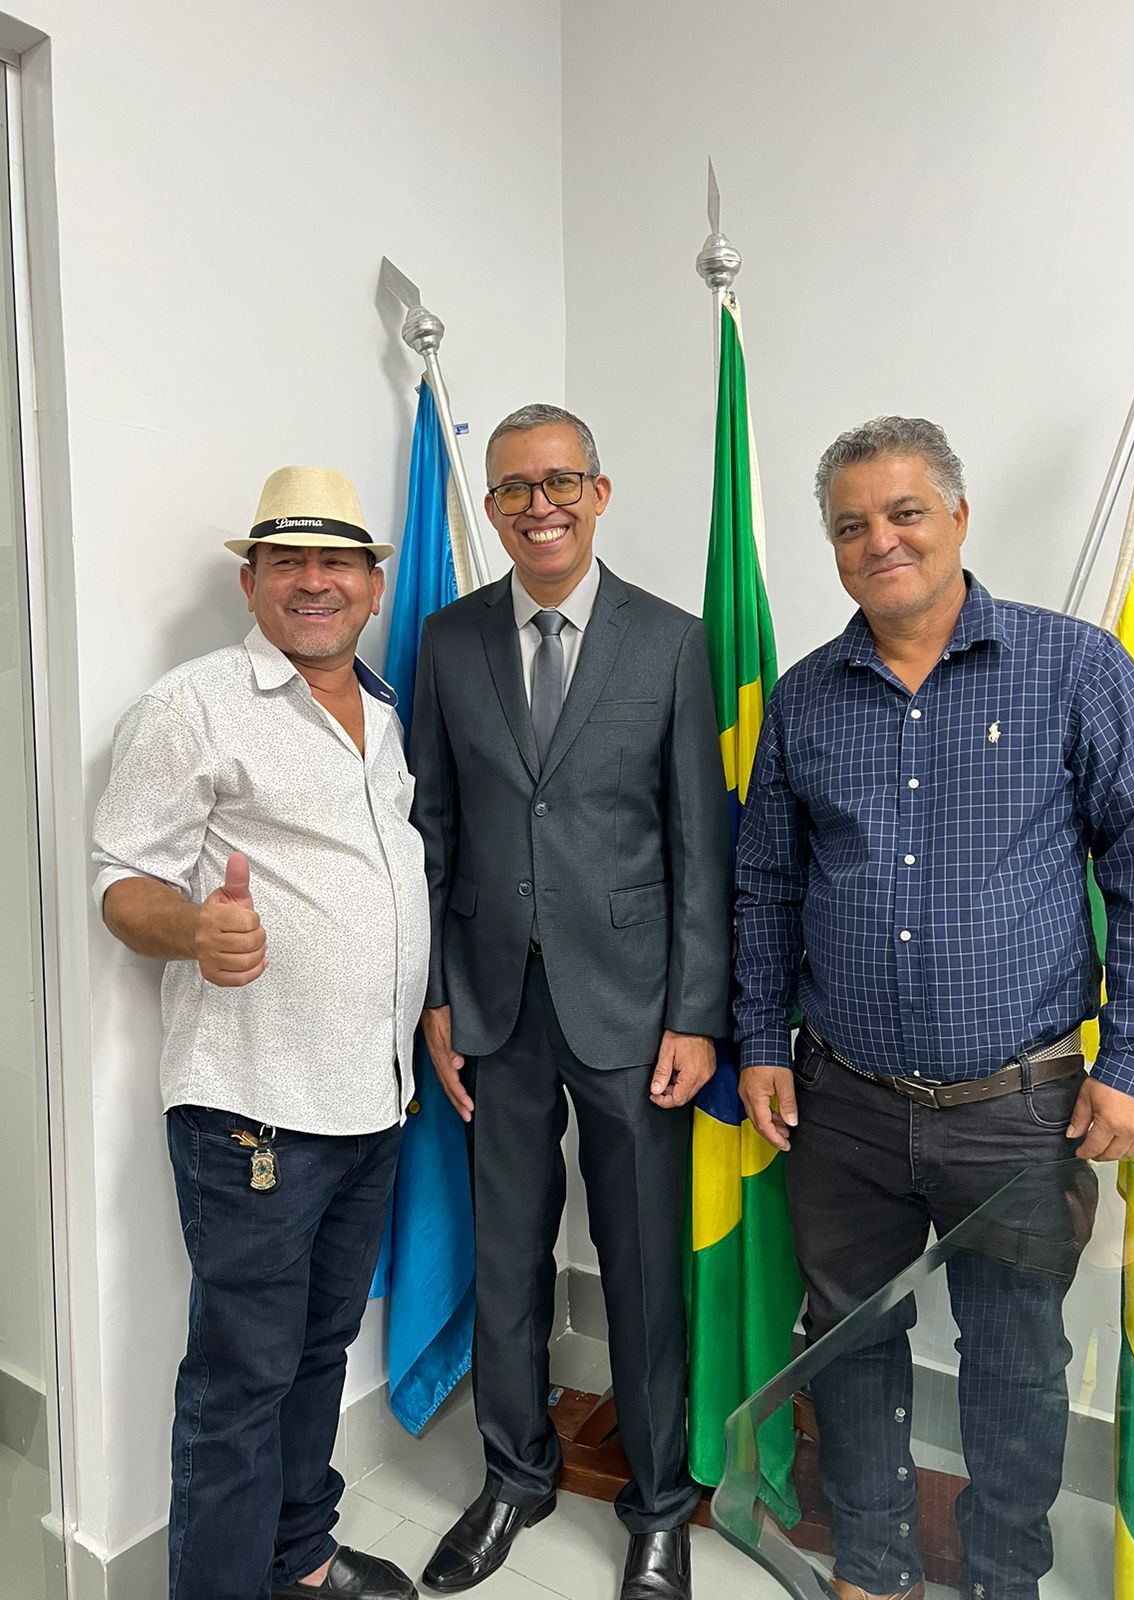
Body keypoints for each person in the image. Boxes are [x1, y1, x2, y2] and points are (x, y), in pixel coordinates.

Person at [734, 417, 1134, 1600]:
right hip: (842, 1101)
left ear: (956, 515)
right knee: (848, 1340)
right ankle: (875, 1564)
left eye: (904, 513)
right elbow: (767, 885)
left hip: (1021, 1108)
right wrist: (759, 1038)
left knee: (1016, 1361)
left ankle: (1003, 1576)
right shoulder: (804, 699)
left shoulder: (1075, 668)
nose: (879, 541)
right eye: (851, 525)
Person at [409, 403, 730, 1600]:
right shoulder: (448, 640)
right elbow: (432, 825)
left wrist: (696, 1012)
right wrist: (435, 994)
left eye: (557, 482)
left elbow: (700, 842)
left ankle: (658, 1506)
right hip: (493, 1006)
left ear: (598, 492)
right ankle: (514, 1475)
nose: (536, 506)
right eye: (512, 488)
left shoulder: (671, 641)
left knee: (642, 1269)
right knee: (506, 1257)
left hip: (636, 1012)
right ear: (492, 507)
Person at [93, 466, 429, 1600]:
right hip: (255, 1115)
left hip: (373, 1099)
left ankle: (301, 1556)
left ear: (372, 585)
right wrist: (195, 929)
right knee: (241, 1382)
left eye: (337, 562)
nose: (314, 582)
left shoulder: (385, 709)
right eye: (288, 561)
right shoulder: (194, 706)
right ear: (251, 582)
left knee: (321, 1350)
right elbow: (120, 878)